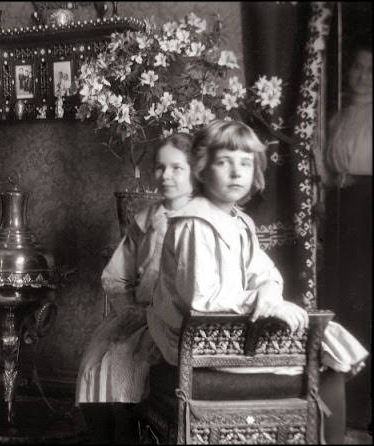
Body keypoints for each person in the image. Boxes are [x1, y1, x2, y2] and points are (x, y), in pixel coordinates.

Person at [146, 120, 368, 444]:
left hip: (229, 330)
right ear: (202, 169)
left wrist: (267, 292)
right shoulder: (194, 223)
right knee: (320, 354)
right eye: (224, 162)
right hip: (195, 340)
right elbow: (203, 301)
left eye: (245, 164)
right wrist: (260, 304)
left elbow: (265, 272)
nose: (236, 173)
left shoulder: (240, 222)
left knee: (325, 342)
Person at [76, 133, 195, 443]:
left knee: (123, 370)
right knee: (94, 365)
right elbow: (116, 276)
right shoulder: (146, 220)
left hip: (181, 323)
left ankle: (128, 431)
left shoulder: (202, 219)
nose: (165, 176)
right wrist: (131, 310)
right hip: (142, 317)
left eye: (177, 168)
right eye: (160, 167)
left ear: (196, 170)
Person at [321, 41, 372, 430]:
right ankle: (343, 410)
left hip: (368, 211)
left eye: (371, 70)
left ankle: (363, 410)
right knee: (341, 300)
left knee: (363, 300)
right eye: (357, 67)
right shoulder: (338, 118)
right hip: (343, 209)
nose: (361, 76)